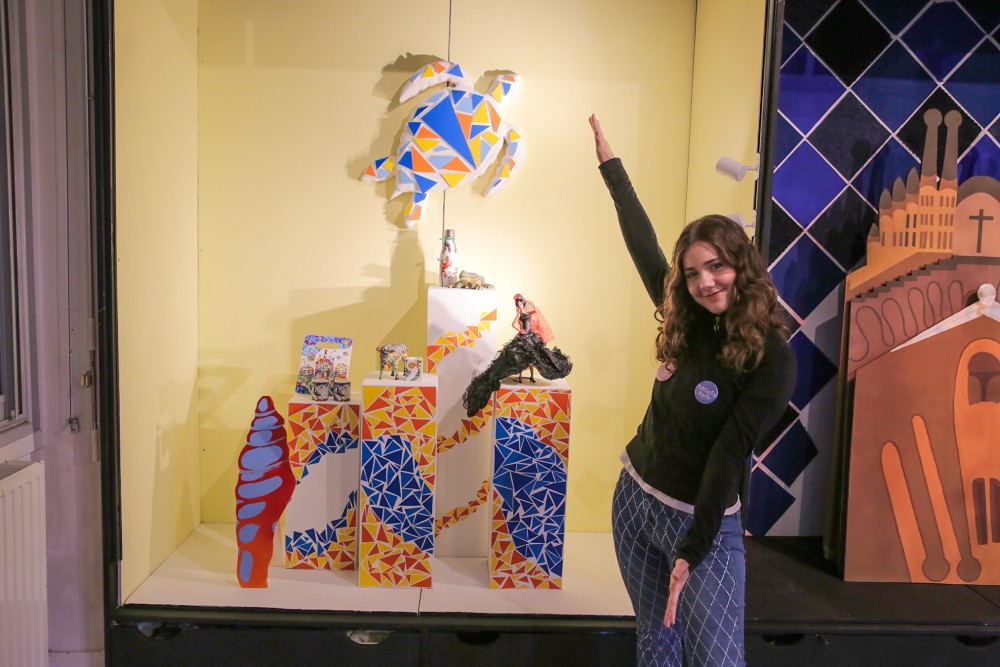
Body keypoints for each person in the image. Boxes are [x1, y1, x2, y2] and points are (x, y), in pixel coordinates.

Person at [589, 114, 796, 667]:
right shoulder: (688, 321)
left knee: (717, 661)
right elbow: (644, 248)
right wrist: (612, 169)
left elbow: (730, 453)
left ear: (741, 266)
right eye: (692, 273)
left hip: (702, 524)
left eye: (716, 266)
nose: (705, 282)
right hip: (635, 501)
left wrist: (694, 548)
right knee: (656, 646)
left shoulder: (772, 358)